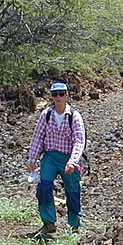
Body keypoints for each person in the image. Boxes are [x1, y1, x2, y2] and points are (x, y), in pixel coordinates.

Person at [27, 81, 85, 236]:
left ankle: (75, 225)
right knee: (44, 188)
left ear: (66, 95)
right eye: (55, 94)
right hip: (50, 156)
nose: (58, 97)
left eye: (61, 94)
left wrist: (73, 161)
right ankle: (48, 223)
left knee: (72, 191)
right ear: (51, 96)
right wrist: (32, 159)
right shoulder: (46, 115)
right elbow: (38, 137)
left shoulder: (74, 116)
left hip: (68, 156)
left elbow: (79, 141)